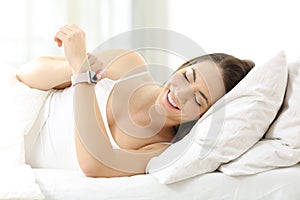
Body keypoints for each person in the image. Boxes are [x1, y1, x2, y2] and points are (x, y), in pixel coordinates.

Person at [17, 24, 254, 178]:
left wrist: (82, 74)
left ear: (203, 116)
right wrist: (74, 66)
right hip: (14, 111)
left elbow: (95, 165)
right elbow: (27, 75)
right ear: (182, 67)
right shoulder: (129, 64)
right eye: (187, 77)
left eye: (197, 99)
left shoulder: (161, 150)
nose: (181, 94)